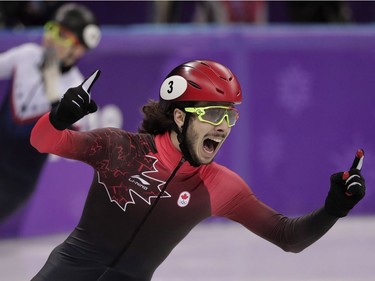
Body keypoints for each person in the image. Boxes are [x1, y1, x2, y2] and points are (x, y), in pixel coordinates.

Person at [30, 60, 366, 281]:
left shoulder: (219, 186)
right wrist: (59, 118)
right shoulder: (118, 148)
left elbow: (288, 237)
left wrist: (333, 210)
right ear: (180, 116)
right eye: (212, 115)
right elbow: (44, 141)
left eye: (229, 116)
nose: (223, 127)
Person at [0, 3, 101, 223]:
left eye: (62, 35)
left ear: (79, 50)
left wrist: (54, 94)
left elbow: (66, 144)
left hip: (16, 182)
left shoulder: (76, 90)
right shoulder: (27, 55)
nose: (51, 37)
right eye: (52, 28)